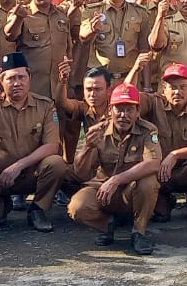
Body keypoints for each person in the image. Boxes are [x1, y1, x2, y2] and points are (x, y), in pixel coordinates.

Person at [0, 54, 66, 233]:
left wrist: (18, 166)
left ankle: (38, 210)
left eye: (21, 77)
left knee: (56, 163)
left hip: (31, 172)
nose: (17, 83)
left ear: (29, 78)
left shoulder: (45, 105)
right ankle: (1, 209)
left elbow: (53, 146)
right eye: (11, 78)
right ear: (1, 81)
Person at [68, 83, 162, 255]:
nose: (123, 115)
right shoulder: (98, 130)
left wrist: (117, 179)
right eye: (119, 109)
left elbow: (154, 163)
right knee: (77, 207)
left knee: (149, 181)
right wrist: (87, 148)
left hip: (130, 192)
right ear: (110, 110)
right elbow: (80, 173)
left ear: (137, 111)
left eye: (129, 110)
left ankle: (139, 232)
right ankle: (107, 224)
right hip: (104, 192)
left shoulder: (148, 130)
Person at [129, 59, 187, 234]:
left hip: (185, 170)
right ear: (163, 88)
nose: (178, 91)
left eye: (183, 87)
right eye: (172, 87)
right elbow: (127, 97)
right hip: (158, 171)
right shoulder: (153, 103)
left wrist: (175, 155)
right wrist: (135, 69)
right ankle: (163, 201)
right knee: (159, 213)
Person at [5, 0, 72, 103]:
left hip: (59, 90)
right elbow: (10, 35)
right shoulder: (23, 12)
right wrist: (19, 18)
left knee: (57, 124)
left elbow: (69, 48)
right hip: (33, 91)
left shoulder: (62, 16)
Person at [77, 0, 150, 82]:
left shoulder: (139, 13)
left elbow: (144, 50)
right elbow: (82, 35)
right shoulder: (92, 10)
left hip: (130, 78)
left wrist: (147, 86)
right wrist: (92, 29)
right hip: (100, 80)